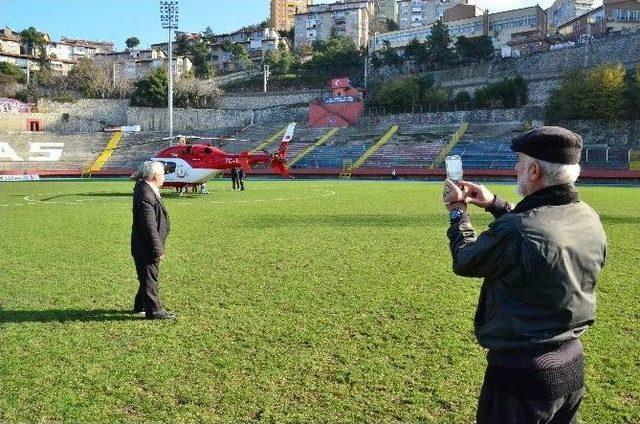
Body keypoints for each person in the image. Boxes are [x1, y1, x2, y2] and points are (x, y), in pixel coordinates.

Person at [442, 126, 606, 424]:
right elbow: (541, 227)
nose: (515, 167)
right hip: (570, 365)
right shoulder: (587, 215)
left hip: (521, 377)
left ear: (533, 171)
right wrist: (494, 203)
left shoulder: (518, 230)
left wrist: (458, 214)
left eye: (519, 161)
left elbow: (466, 260)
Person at [131, 161, 176, 320]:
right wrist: (158, 249)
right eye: (163, 174)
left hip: (145, 244)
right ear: (156, 176)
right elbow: (149, 225)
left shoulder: (146, 189)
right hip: (147, 246)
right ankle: (154, 310)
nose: (164, 178)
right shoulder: (145, 193)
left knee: (146, 277)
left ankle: (140, 305)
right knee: (151, 278)